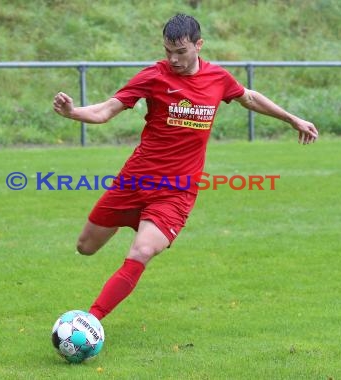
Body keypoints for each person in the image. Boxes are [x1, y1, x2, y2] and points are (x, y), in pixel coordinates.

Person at [52, 13, 318, 321]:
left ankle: (91, 320)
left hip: (176, 192)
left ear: (198, 45)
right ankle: (135, 221)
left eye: (181, 52)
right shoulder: (153, 76)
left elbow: (248, 97)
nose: (173, 59)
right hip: (134, 181)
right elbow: (105, 111)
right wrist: (72, 112)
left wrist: (293, 119)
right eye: (168, 51)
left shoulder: (217, 79)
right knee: (85, 247)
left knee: (141, 252)